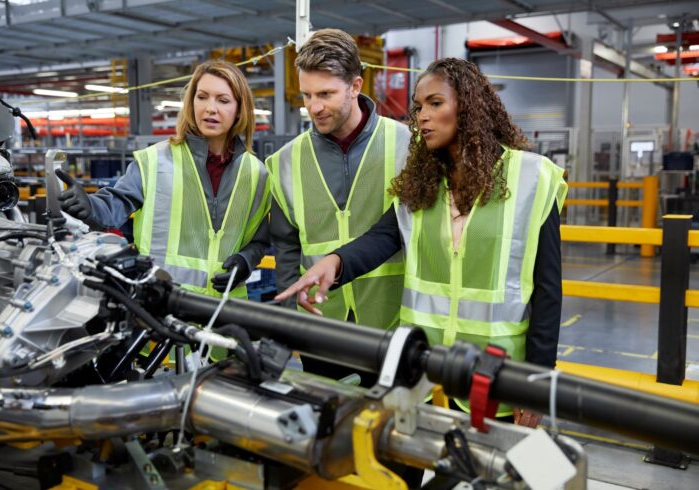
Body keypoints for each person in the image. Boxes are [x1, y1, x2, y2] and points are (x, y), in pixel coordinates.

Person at [277, 58, 568, 427]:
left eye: (435, 103)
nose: (422, 117)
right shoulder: (423, 183)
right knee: (406, 474)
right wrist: (333, 263)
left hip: (497, 373)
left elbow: (548, 293)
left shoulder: (532, 178)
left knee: (501, 474)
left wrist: (537, 384)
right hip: (423, 372)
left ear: (468, 104)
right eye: (418, 108)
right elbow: (381, 238)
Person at [57, 60, 271, 298]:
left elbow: (258, 240)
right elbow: (115, 205)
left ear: (240, 110)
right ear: (191, 103)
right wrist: (89, 205)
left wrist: (245, 262)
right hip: (159, 305)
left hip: (224, 314)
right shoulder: (156, 160)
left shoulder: (256, 174)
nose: (210, 108)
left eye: (223, 100)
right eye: (202, 97)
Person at [266, 28, 409, 328]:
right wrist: (290, 320)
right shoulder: (284, 162)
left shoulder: (407, 146)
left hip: (394, 321)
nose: (314, 107)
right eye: (307, 95)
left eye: (325, 94)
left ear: (355, 86)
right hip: (321, 324)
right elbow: (286, 249)